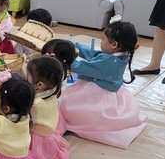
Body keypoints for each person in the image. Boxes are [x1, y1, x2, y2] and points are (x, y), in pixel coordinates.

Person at [60, 19, 147, 149]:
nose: (100, 42)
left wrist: (62, 58)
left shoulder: (108, 63)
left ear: (114, 44)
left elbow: (80, 67)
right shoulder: (119, 55)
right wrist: (72, 45)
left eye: (103, 39)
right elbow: (93, 54)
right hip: (107, 92)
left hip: (97, 95)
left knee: (63, 106)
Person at [25, 56, 70, 159]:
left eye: (27, 79)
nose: (25, 81)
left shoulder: (35, 103)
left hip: (36, 140)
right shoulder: (52, 93)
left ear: (39, 85)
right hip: (48, 137)